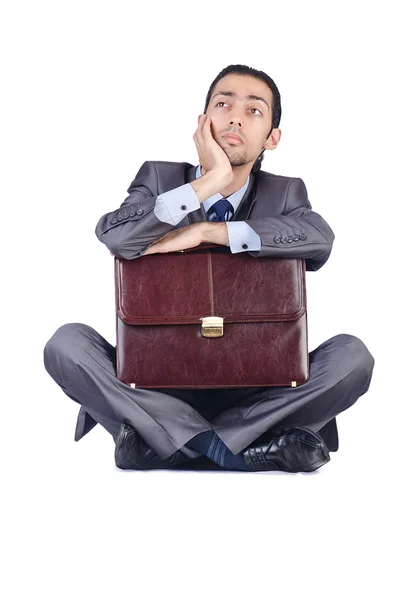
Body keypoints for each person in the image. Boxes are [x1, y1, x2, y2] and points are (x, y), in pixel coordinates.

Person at [43, 63, 375, 473]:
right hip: (158, 382)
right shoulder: (159, 177)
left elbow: (319, 239)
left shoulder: (286, 192)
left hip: (259, 387)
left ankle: (168, 443)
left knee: (353, 357)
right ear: (203, 123)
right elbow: (116, 236)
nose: (235, 116)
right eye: (223, 104)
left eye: (254, 111)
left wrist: (212, 231)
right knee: (66, 345)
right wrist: (208, 182)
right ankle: (236, 451)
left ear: (272, 137)